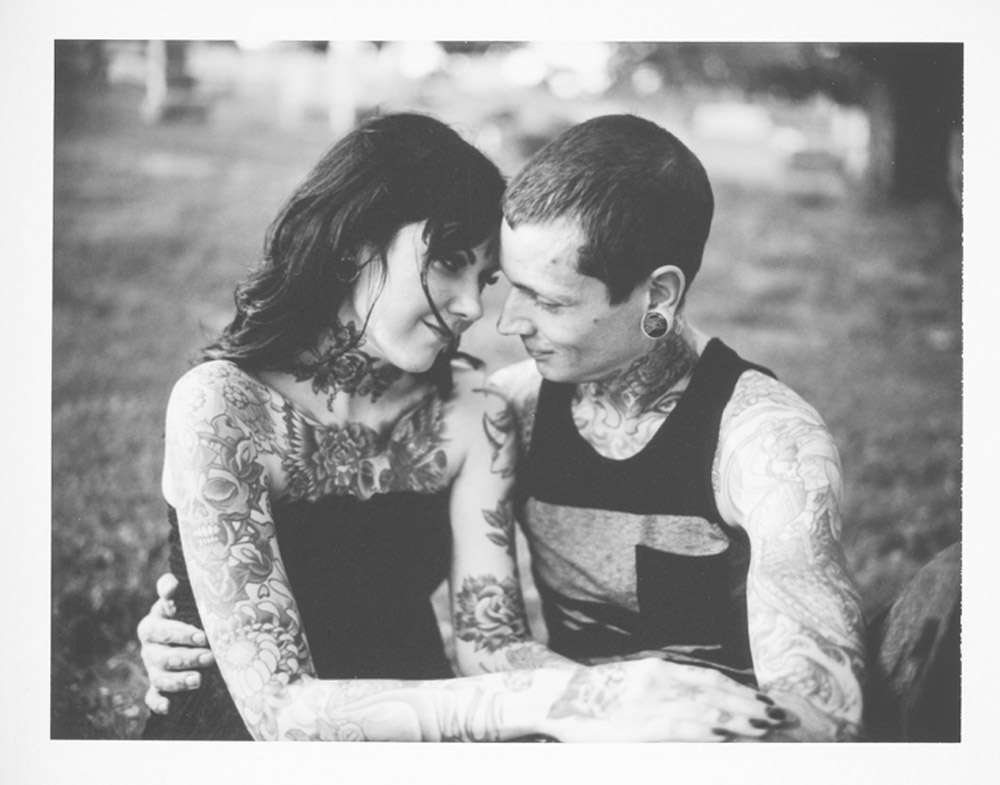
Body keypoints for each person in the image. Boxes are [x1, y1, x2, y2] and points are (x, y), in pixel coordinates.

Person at [136, 111, 782, 743]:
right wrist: (582, 699)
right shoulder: (223, 407)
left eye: (485, 277)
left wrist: (648, 701)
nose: (473, 306)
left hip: (422, 746)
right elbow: (282, 712)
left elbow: (490, 645)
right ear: (354, 240)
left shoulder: (472, 412)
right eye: (447, 261)